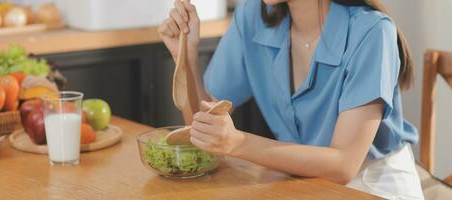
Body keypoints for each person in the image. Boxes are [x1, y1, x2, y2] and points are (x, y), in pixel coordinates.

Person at [158, 0, 424, 199]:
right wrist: (186, 56)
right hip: (302, 183)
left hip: (373, 184)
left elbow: (344, 165)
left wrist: (237, 142)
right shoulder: (252, 17)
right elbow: (204, 131)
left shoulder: (372, 32)